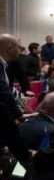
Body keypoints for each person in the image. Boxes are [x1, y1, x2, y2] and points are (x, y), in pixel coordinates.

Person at [0, 33, 31, 163]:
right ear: (9, 48)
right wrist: (18, 114)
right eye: (19, 47)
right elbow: (4, 92)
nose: (20, 51)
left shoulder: (5, 65)